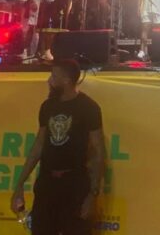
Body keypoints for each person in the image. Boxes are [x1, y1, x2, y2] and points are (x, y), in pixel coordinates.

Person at [11, 59, 105, 235]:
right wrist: (19, 184)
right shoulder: (48, 106)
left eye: (54, 76)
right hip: (47, 183)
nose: (49, 80)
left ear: (66, 80)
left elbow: (98, 151)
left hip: (74, 184)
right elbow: (38, 146)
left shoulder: (89, 107)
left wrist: (92, 195)